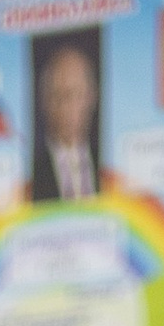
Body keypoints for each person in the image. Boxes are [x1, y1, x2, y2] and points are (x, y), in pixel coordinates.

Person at [27, 31, 105, 207]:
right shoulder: (32, 174)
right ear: (44, 102)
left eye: (74, 94)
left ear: (91, 97)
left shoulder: (109, 160)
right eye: (57, 96)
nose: (65, 106)